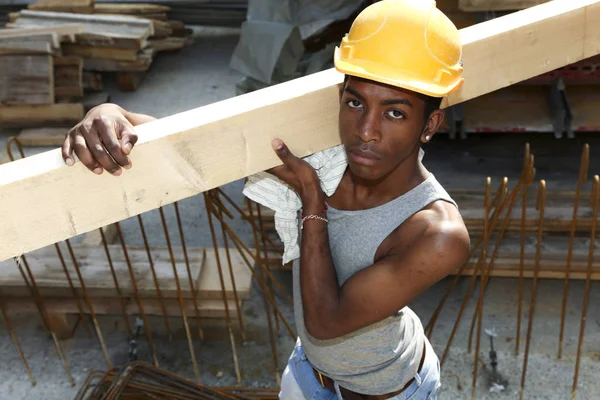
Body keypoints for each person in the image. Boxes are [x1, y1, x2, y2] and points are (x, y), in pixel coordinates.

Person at [61, 1, 470, 398]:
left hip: (385, 390)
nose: (365, 131)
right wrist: (111, 112)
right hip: (310, 370)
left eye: (394, 113)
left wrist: (312, 200)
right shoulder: (326, 160)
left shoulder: (436, 232)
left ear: (429, 124)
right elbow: (192, 139)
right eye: (355, 102)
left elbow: (326, 321)